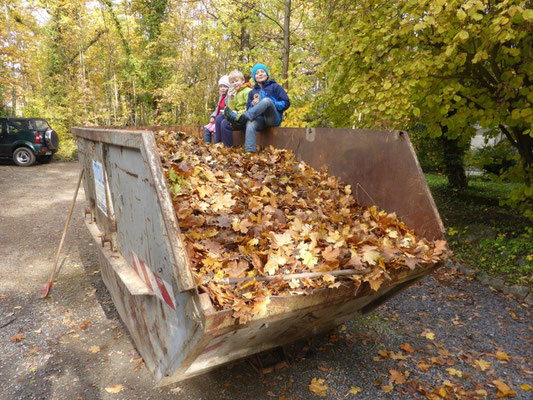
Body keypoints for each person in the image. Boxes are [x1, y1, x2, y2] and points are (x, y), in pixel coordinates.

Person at [224, 63, 290, 153]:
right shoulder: (252, 92)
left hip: (273, 118)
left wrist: (272, 103)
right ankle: (249, 153)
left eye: (262, 71)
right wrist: (253, 105)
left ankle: (243, 118)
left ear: (267, 74)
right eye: (257, 73)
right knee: (250, 123)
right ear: (254, 77)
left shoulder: (275, 87)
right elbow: (249, 109)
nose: (260, 74)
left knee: (266, 101)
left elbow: (286, 103)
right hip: (260, 120)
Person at [218, 69, 252, 147]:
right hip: (237, 117)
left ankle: (229, 148)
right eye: (232, 82)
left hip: (245, 118)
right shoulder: (235, 93)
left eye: (236, 81)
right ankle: (224, 146)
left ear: (243, 80)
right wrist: (231, 98)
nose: (235, 84)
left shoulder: (248, 91)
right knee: (222, 121)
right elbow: (230, 109)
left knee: (224, 123)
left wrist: (238, 113)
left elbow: (250, 108)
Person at [204, 75, 230, 143]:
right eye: (221, 86)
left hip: (222, 118)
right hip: (217, 118)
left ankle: (217, 145)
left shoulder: (228, 96)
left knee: (216, 130)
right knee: (207, 129)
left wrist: (229, 94)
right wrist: (213, 116)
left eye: (225, 86)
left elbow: (228, 106)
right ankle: (207, 145)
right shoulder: (221, 96)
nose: (222, 88)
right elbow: (217, 108)